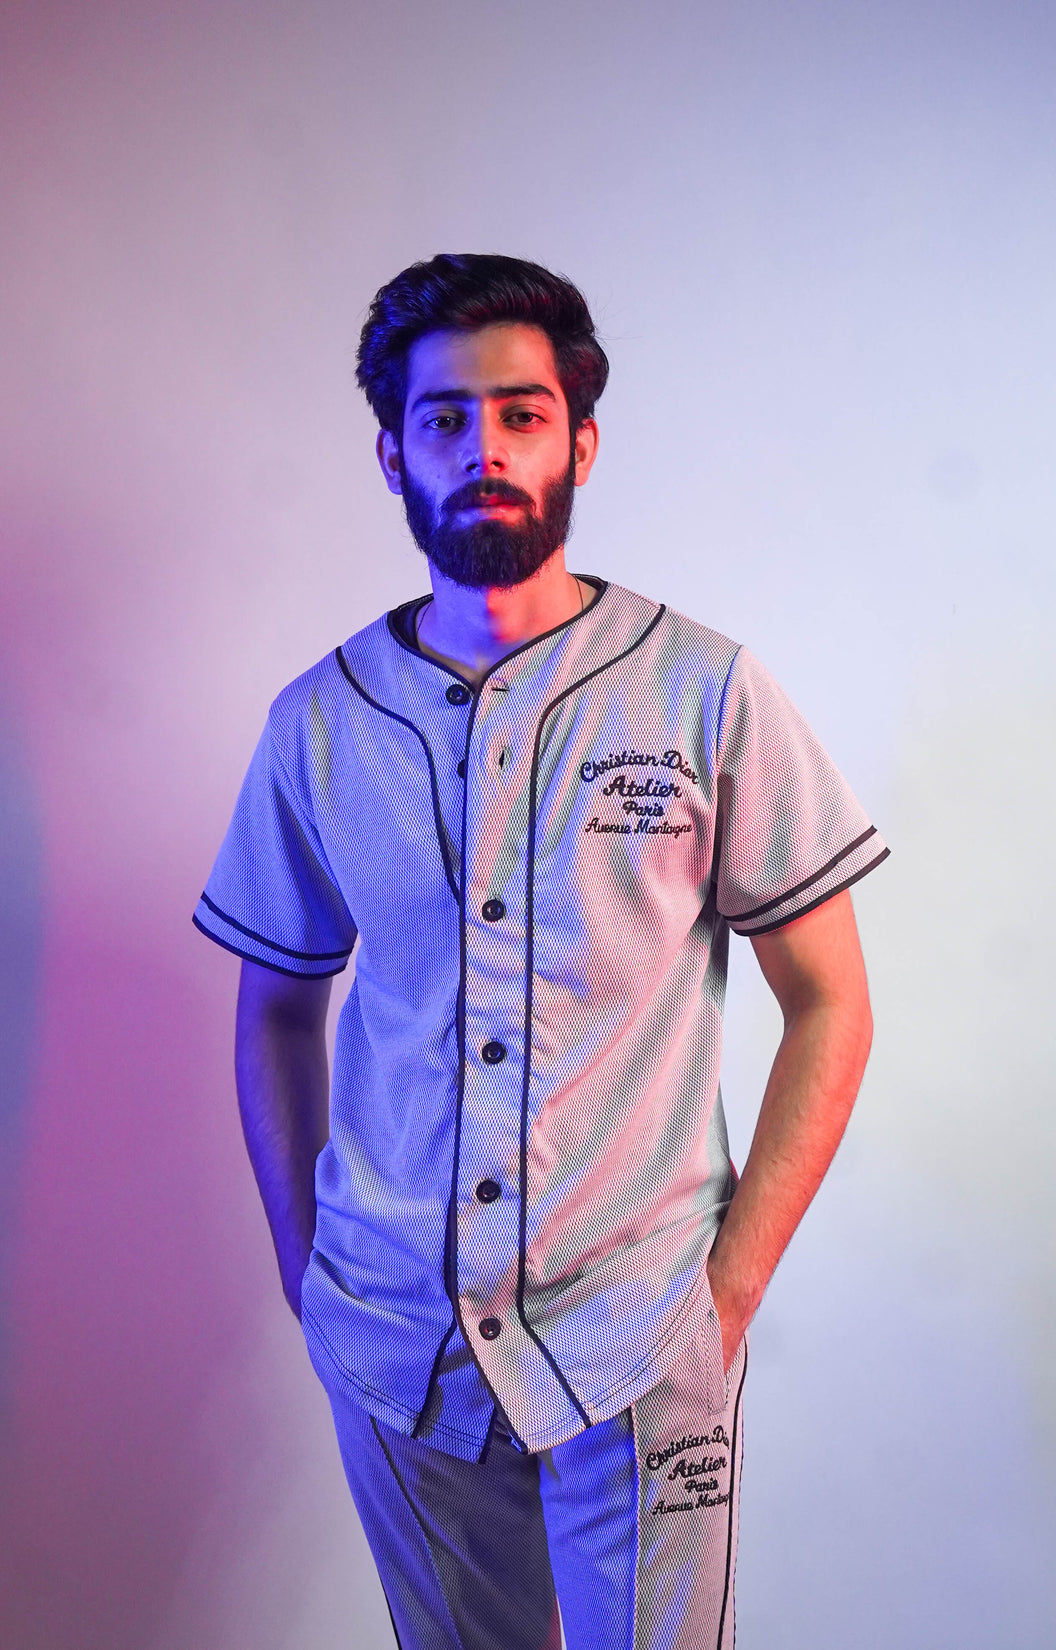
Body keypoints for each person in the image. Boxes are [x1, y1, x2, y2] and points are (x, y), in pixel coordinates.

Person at [193, 252, 888, 1650]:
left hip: (643, 1327)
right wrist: (308, 1272)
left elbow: (830, 1002)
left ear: (581, 440)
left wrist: (729, 1289)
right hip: (395, 1339)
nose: (486, 450)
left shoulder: (701, 691)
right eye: (445, 418)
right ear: (392, 452)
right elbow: (276, 1010)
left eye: (522, 413)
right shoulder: (319, 723)